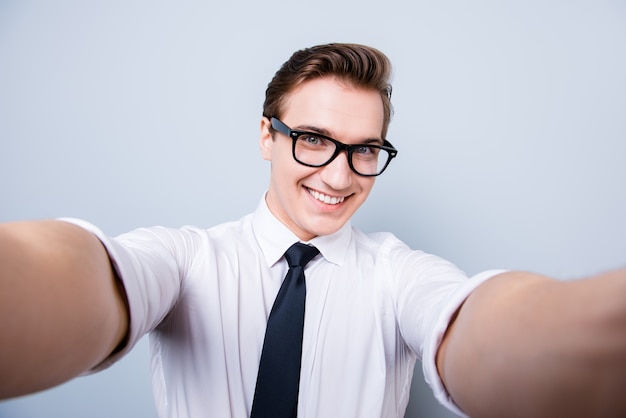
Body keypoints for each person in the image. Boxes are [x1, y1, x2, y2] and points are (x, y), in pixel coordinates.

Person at [0, 43, 624, 418]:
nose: (340, 174)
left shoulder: (397, 274)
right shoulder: (187, 260)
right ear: (267, 136)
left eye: (365, 150)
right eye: (315, 140)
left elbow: (476, 324)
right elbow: (86, 279)